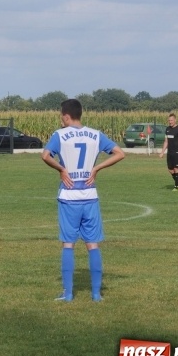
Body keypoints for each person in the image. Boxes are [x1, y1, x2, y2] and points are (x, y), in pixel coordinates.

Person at [41, 99, 125, 302]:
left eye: (62, 116)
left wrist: (61, 169)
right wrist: (96, 168)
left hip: (69, 196)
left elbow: (45, 156)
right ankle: (96, 294)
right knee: (92, 244)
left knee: (68, 244)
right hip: (89, 196)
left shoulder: (60, 135)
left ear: (66, 116)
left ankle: (68, 294)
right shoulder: (96, 135)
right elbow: (120, 153)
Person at [159, 113, 178, 191]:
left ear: (175, 120)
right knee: (170, 170)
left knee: (176, 168)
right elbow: (166, 142)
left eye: (171, 120)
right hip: (169, 152)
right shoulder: (167, 129)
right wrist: (162, 152)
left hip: (177, 152)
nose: (170, 122)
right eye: (169, 120)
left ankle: (177, 186)